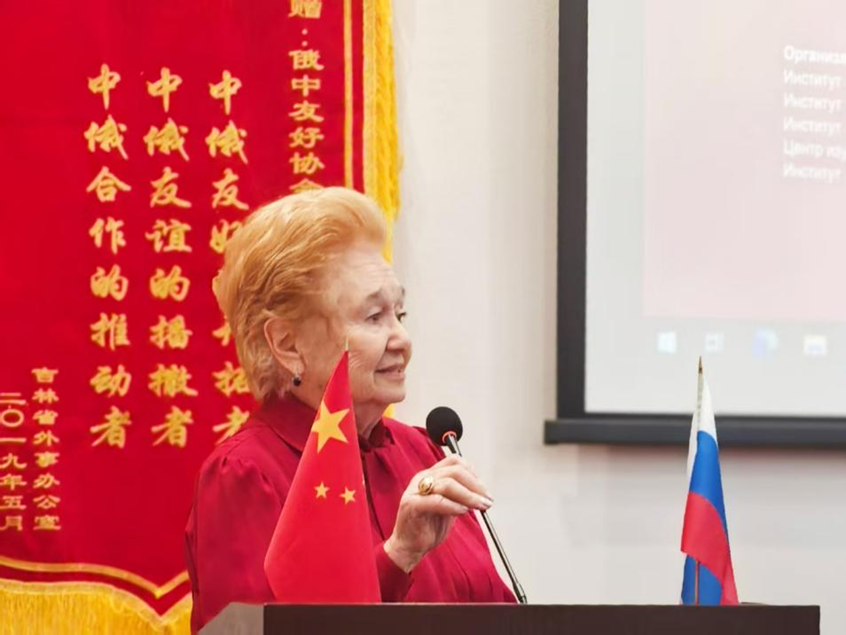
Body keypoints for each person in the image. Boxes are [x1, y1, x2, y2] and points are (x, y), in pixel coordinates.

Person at [185, 187, 515, 631]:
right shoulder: (247, 473)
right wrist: (398, 555)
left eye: (400, 314)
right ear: (288, 344)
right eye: (374, 317)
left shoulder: (423, 453)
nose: (402, 340)